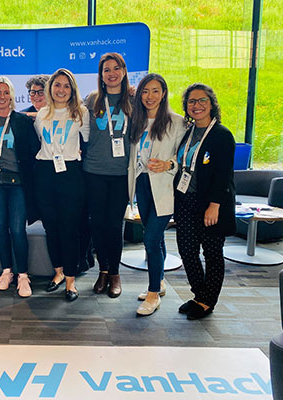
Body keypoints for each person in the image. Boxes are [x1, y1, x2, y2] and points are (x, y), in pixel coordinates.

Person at [174, 83, 236, 320]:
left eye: (202, 101)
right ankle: (199, 295)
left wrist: (215, 205)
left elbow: (223, 175)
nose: (196, 105)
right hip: (186, 202)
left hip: (211, 205)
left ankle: (208, 301)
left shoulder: (221, 135)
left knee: (211, 252)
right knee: (187, 251)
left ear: (212, 104)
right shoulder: (187, 133)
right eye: (191, 101)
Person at [128, 73, 186, 316]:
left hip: (164, 186)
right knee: (157, 237)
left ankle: (153, 294)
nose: (149, 96)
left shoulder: (177, 122)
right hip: (142, 184)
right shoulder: (136, 121)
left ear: (163, 93)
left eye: (155, 91)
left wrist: (169, 165)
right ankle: (159, 281)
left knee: (151, 240)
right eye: (145, 91)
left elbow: (184, 157)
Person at [0, 76, 40, 297]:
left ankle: (23, 275)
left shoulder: (22, 121)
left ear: (12, 96)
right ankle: (6, 271)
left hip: (18, 182)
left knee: (17, 228)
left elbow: (34, 152)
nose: (2, 97)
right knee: (0, 226)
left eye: (6, 93)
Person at [33, 68, 90, 302]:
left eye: (67, 86)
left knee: (70, 228)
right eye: (57, 85)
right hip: (45, 173)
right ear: (51, 88)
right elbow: (39, 143)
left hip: (71, 173)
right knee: (51, 227)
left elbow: (86, 143)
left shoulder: (81, 113)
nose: (61, 90)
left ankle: (70, 280)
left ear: (72, 89)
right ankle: (57, 272)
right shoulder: (41, 115)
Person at [83, 53, 133, 298]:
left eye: (116, 68)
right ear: (100, 75)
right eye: (106, 70)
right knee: (98, 224)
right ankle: (102, 270)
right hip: (93, 171)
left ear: (124, 71)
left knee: (115, 225)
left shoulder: (134, 100)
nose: (111, 73)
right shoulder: (92, 100)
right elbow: (64, 116)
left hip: (121, 174)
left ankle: (115, 273)